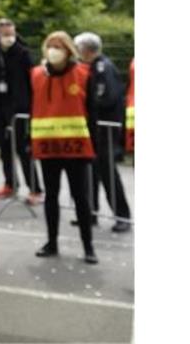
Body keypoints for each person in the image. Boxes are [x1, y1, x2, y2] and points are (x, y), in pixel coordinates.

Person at [31, 31, 98, 263]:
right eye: (50, 45)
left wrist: (94, 147)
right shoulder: (36, 75)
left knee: (81, 198)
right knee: (51, 197)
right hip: (48, 149)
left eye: (59, 46)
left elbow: (93, 112)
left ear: (69, 50)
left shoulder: (83, 74)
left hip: (76, 149)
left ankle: (88, 247)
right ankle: (51, 242)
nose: (53, 50)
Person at [0, 18, 43, 204]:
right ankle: (10, 184)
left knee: (23, 150)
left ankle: (35, 189)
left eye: (11, 33)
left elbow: (31, 80)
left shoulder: (22, 53)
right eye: (4, 34)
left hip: (20, 110)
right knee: (5, 149)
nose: (8, 37)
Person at [74, 32, 132, 233]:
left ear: (86, 50)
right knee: (90, 172)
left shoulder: (102, 67)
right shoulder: (94, 66)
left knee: (108, 173)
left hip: (105, 129)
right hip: (95, 129)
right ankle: (90, 212)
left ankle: (122, 215)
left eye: (78, 48)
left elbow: (105, 98)